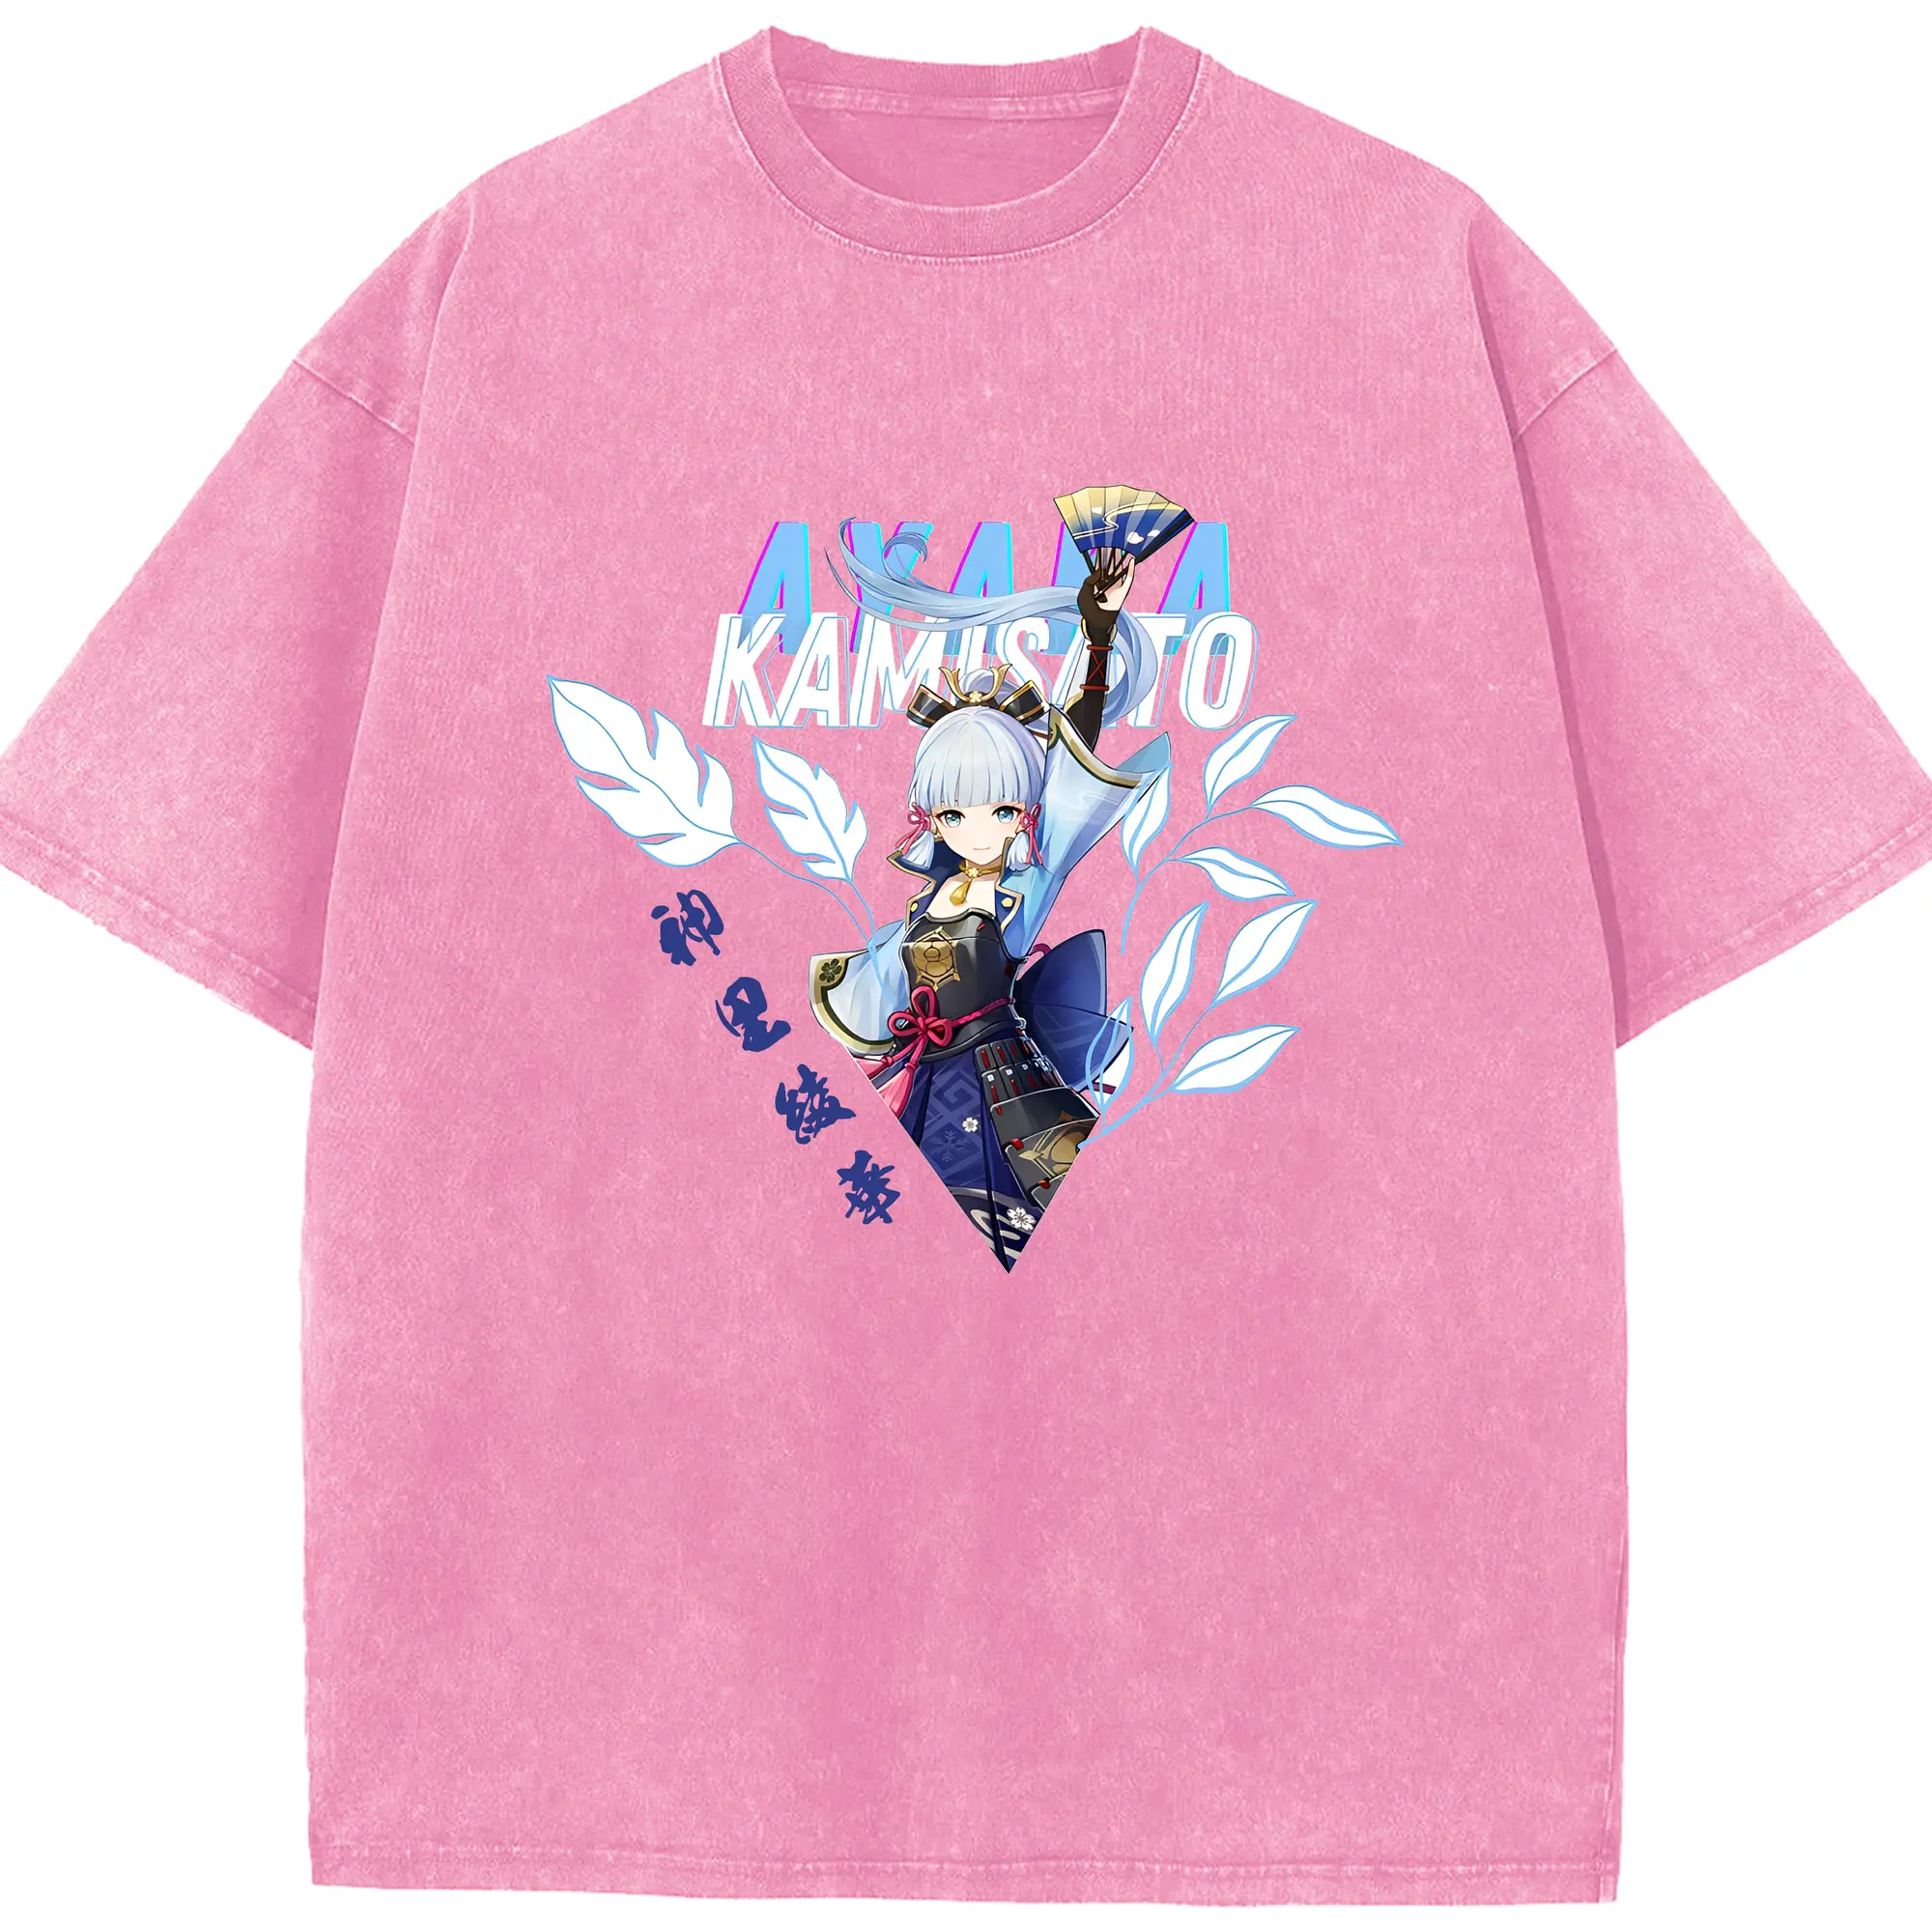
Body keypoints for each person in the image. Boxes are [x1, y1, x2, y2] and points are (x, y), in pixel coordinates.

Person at [808, 531, 1172, 1268]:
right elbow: (873, 996)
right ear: (934, 818)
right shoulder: (926, 902)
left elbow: (1069, 768)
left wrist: (1098, 640)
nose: (981, 829)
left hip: (1006, 1092)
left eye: (1003, 810)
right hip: (924, 1086)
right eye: (957, 812)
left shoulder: (1024, 887)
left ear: (1024, 813)